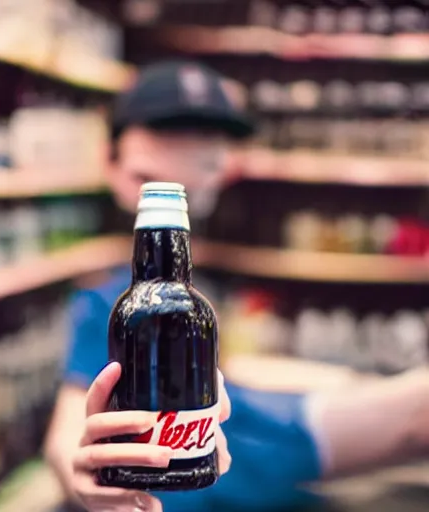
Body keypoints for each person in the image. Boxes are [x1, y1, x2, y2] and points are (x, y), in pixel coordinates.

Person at [45, 60, 429, 512]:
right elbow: (69, 429)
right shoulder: (120, 298)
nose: (186, 164)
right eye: (153, 170)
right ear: (113, 164)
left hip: (273, 433)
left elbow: (232, 369)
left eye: (205, 144)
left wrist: (342, 380)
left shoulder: (197, 270)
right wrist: (89, 475)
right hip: (236, 469)